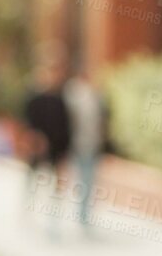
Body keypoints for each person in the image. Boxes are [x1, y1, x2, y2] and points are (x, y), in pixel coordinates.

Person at [19, 49, 73, 225]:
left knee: (56, 186)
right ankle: (28, 213)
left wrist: (65, 152)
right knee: (33, 181)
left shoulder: (62, 98)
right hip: (37, 146)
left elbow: (66, 126)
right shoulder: (35, 97)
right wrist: (33, 140)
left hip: (56, 148)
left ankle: (53, 220)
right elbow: (27, 122)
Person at [61, 60, 108, 233]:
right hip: (74, 145)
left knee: (88, 180)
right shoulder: (72, 93)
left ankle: (84, 216)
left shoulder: (96, 94)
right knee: (71, 180)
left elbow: (101, 119)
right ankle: (67, 214)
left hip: (92, 145)